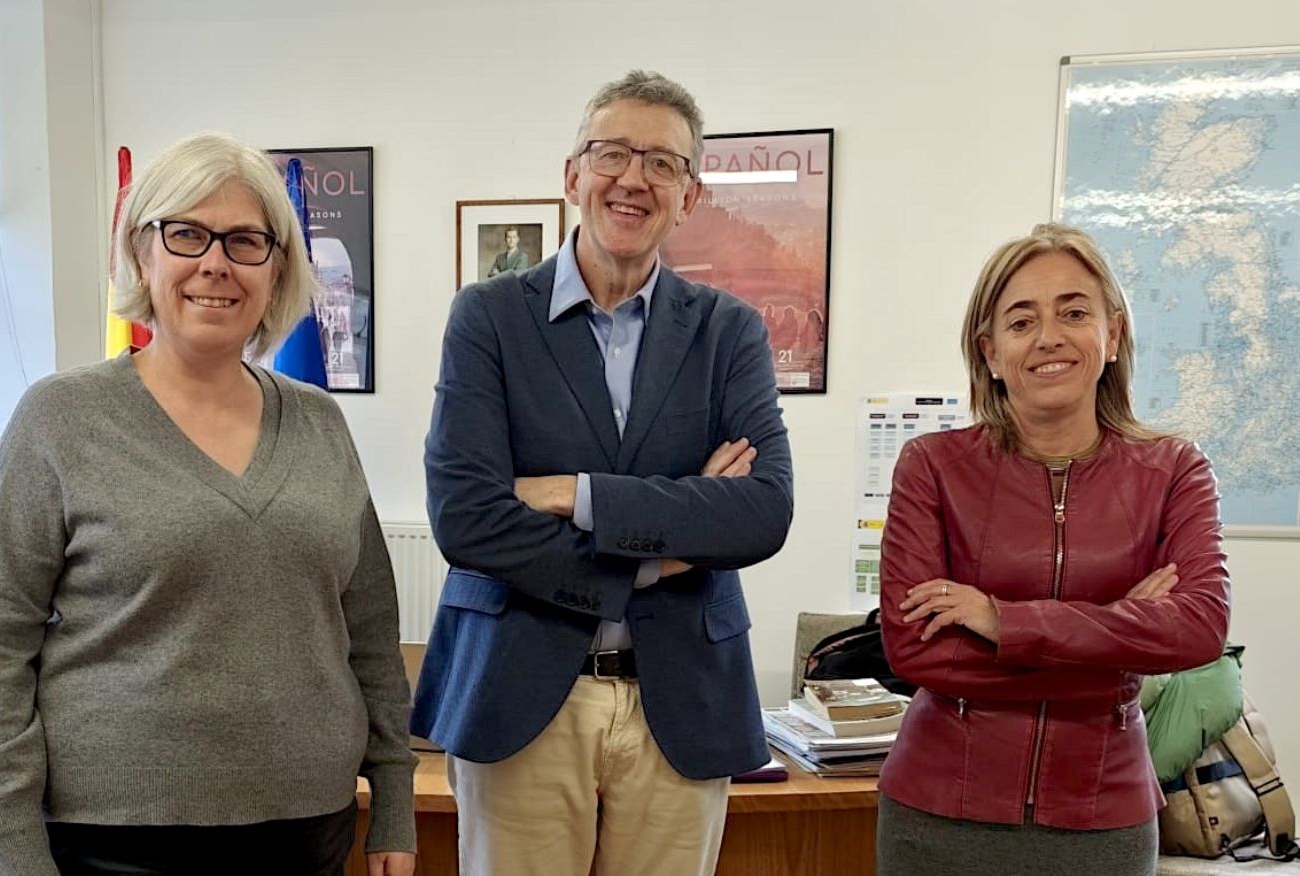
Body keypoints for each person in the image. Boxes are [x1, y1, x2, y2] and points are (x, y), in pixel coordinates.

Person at [0, 131, 417, 876]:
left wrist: (393, 795)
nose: (215, 264)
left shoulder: (320, 422)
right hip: (113, 837)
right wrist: (11, 845)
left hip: (308, 825)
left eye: (244, 242)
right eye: (187, 234)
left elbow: (370, 629)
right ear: (142, 253)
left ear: (277, 269)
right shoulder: (60, 419)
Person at [412, 70, 794, 876]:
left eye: (663, 163)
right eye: (613, 153)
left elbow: (762, 512)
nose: (634, 179)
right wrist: (668, 546)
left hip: (680, 698)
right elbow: (466, 519)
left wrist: (570, 495)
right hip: (517, 689)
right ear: (572, 174)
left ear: (689, 196)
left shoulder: (729, 333)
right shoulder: (488, 317)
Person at [875, 223, 1232, 876]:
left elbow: (1201, 627)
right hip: (938, 814)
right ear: (989, 352)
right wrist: (1121, 637)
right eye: (1020, 321)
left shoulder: (1175, 469)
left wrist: (1001, 620)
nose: (1048, 337)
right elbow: (914, 647)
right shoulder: (931, 466)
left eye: (1074, 312)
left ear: (1113, 334)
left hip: (1102, 820)